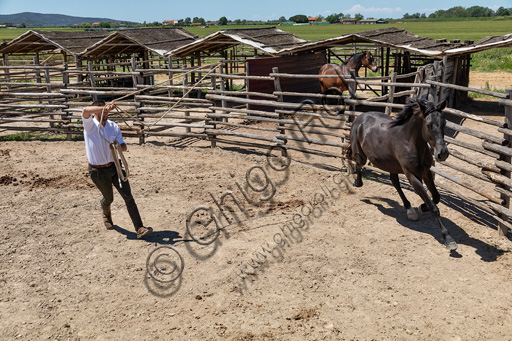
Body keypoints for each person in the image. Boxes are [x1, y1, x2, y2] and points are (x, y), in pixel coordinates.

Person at [82, 99, 152, 239]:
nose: (105, 112)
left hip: (114, 166)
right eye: (102, 110)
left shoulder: (113, 126)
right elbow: (84, 111)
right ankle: (106, 214)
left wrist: (117, 146)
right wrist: (103, 108)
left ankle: (139, 228)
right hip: (97, 170)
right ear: (96, 111)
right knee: (109, 198)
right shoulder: (90, 125)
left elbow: (124, 146)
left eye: (106, 110)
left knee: (128, 196)